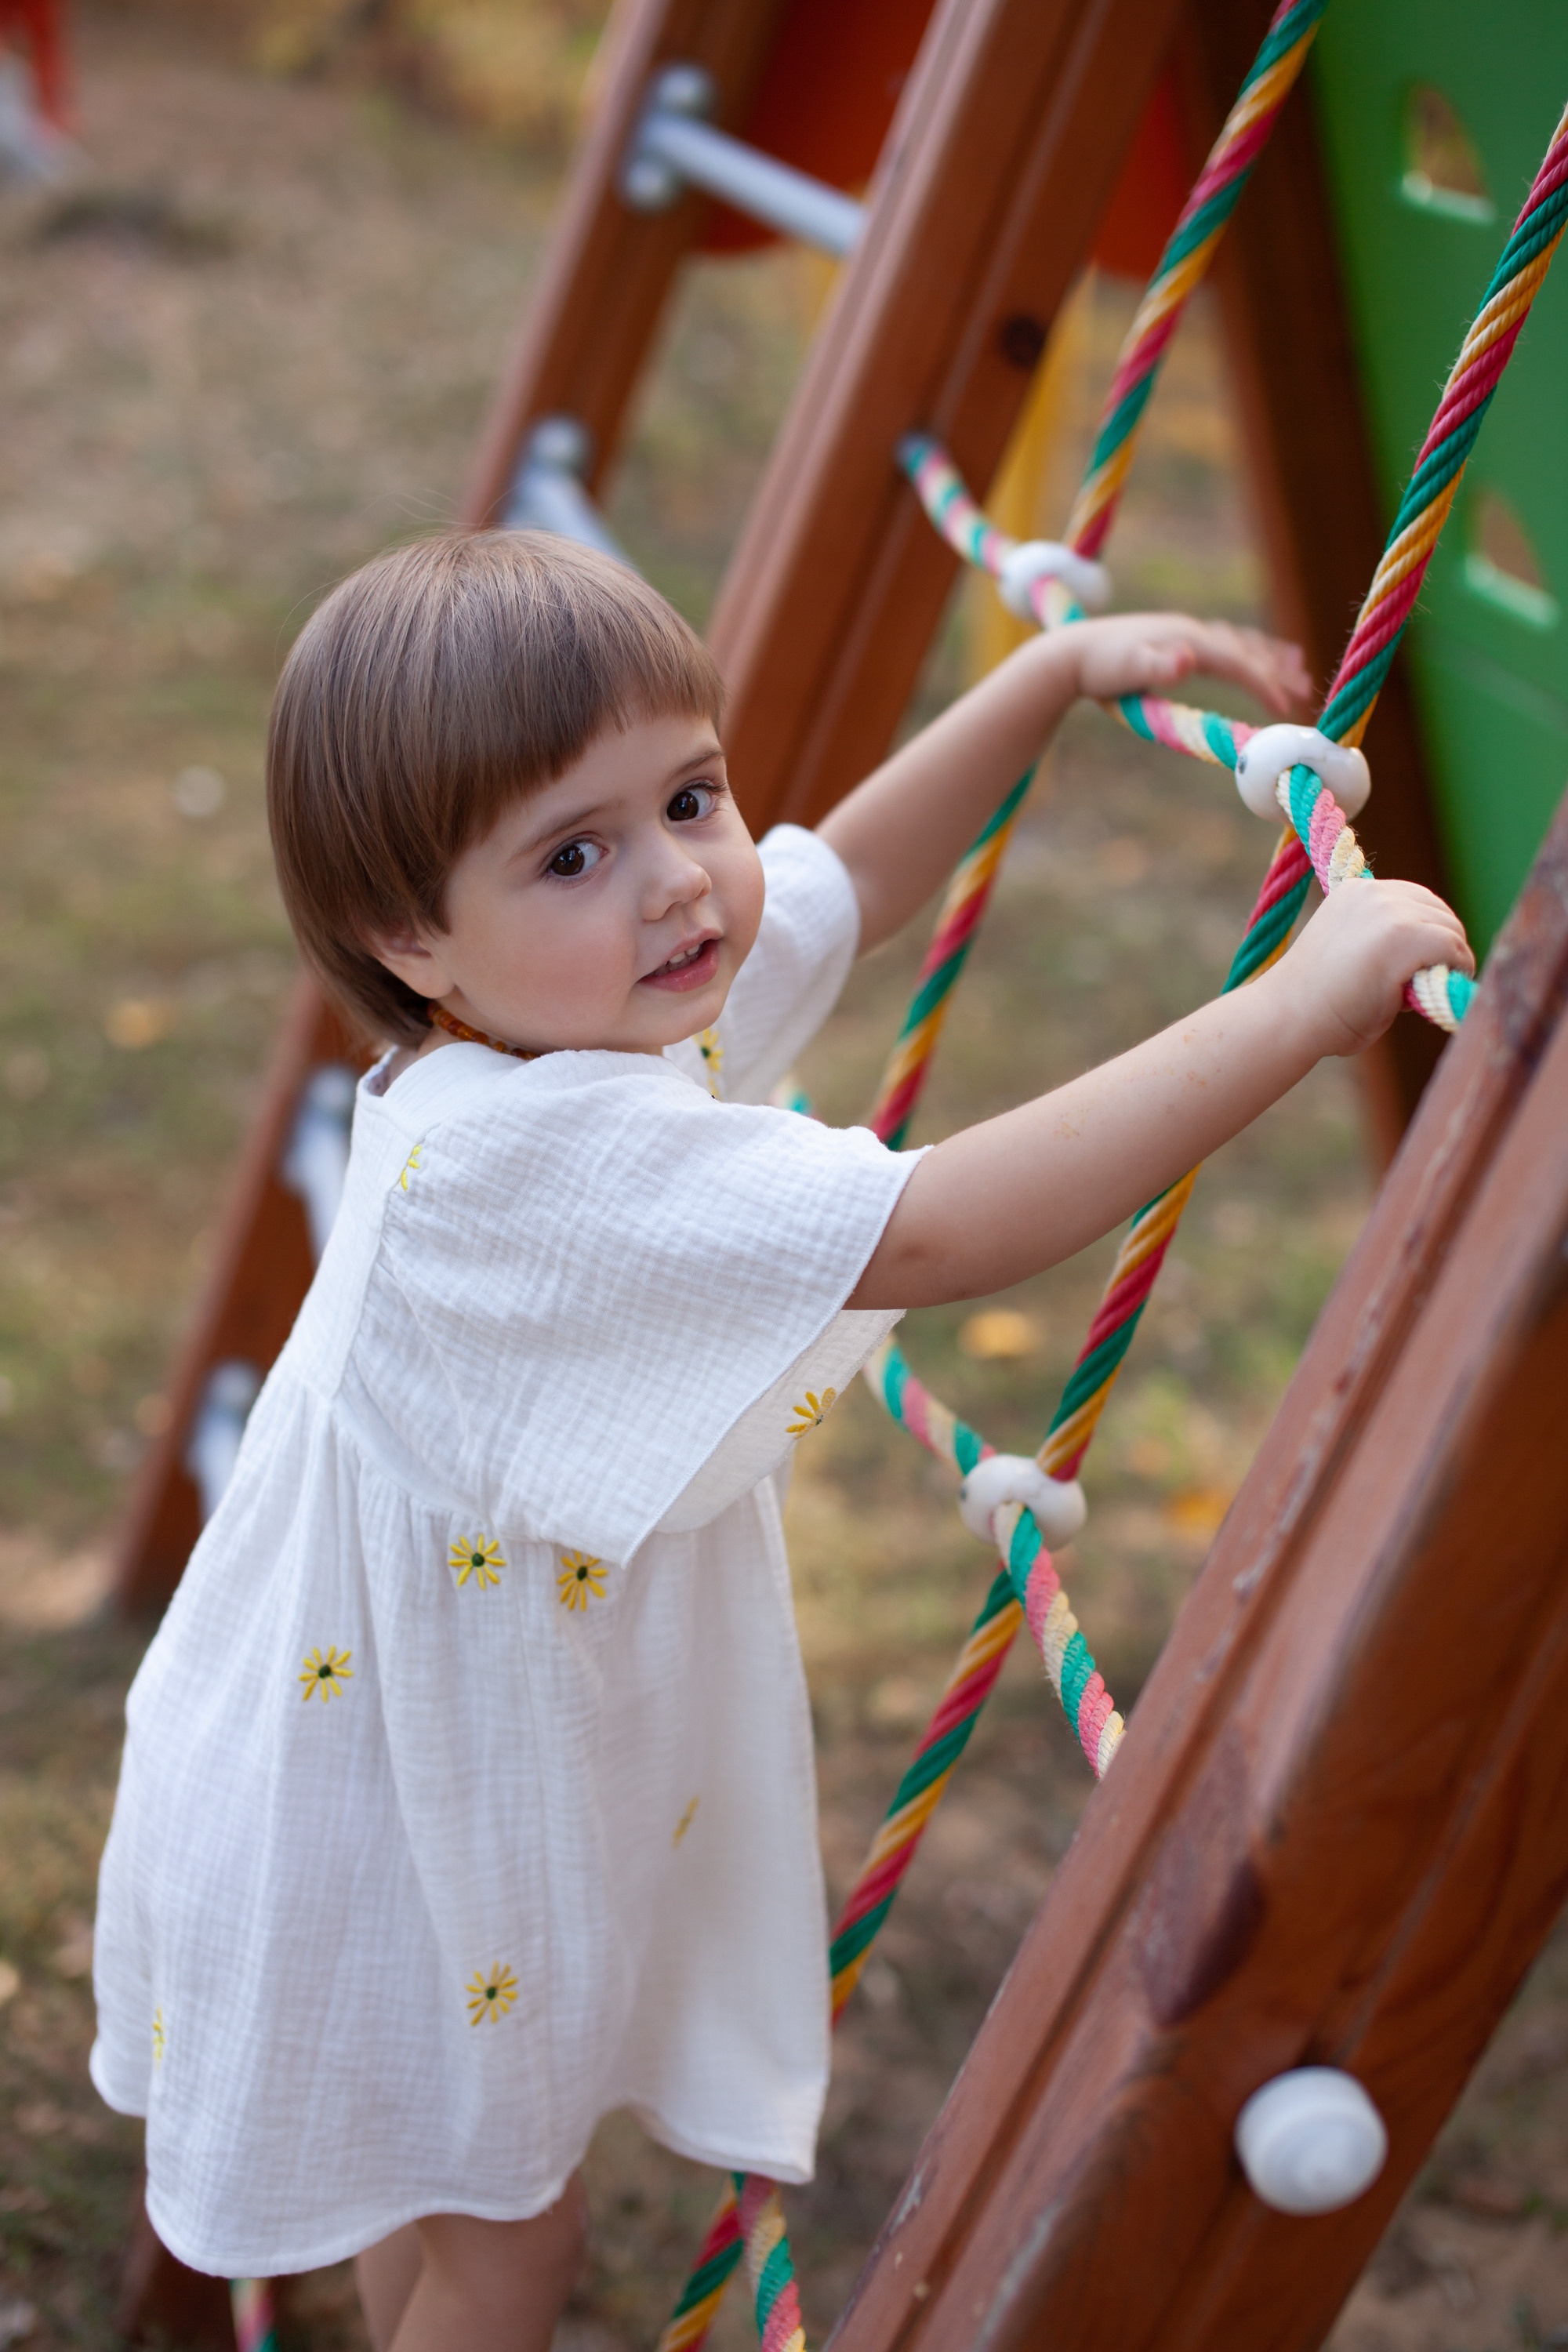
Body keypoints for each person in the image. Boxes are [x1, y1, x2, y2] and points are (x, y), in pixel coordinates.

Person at [90, 531, 1471, 2350]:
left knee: (434, 2205)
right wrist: (1296, 1009)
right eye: (576, 853)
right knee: (507, 2246)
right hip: (367, 1821)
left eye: (690, 795)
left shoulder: (555, 1022)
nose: (679, 885)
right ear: (409, 938)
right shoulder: (529, 1167)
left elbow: (835, 883)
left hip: (344, 1769)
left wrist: (1041, 682)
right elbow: (937, 1228)